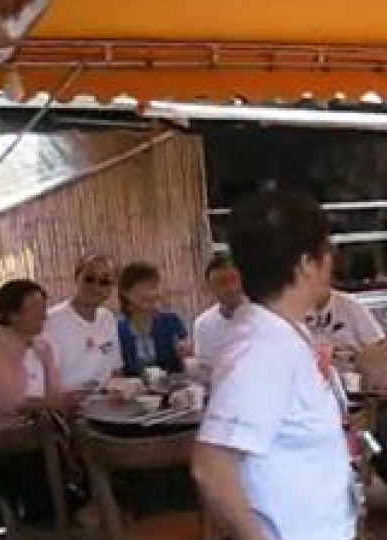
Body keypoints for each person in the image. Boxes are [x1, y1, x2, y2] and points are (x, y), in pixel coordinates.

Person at [193, 191, 357, 540]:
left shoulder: (285, 331)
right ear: (306, 264)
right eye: (327, 249)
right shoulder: (260, 350)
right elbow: (212, 466)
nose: (332, 259)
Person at [0, 279, 73, 527]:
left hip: (39, 426)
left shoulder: (42, 346)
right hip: (5, 436)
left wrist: (60, 401)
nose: (43, 315)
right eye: (34, 309)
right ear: (12, 314)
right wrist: (51, 404)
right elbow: (11, 402)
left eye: (43, 307)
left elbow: (54, 390)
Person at [44, 254, 123, 392]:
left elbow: (115, 369)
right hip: (64, 401)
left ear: (113, 287)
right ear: (76, 278)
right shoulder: (51, 320)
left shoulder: (107, 318)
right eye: (89, 279)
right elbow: (42, 379)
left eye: (105, 282)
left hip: (105, 398)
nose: (96, 287)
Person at [117, 262, 189, 376]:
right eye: (141, 288)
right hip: (133, 387)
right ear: (125, 293)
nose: (151, 293)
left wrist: (184, 351)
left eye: (153, 287)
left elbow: (185, 356)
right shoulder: (117, 330)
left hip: (172, 385)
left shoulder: (171, 320)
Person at [193, 253, 251, 380]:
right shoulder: (203, 324)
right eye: (221, 283)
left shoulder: (266, 317)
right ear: (210, 288)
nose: (230, 288)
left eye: (234, 279)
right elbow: (205, 369)